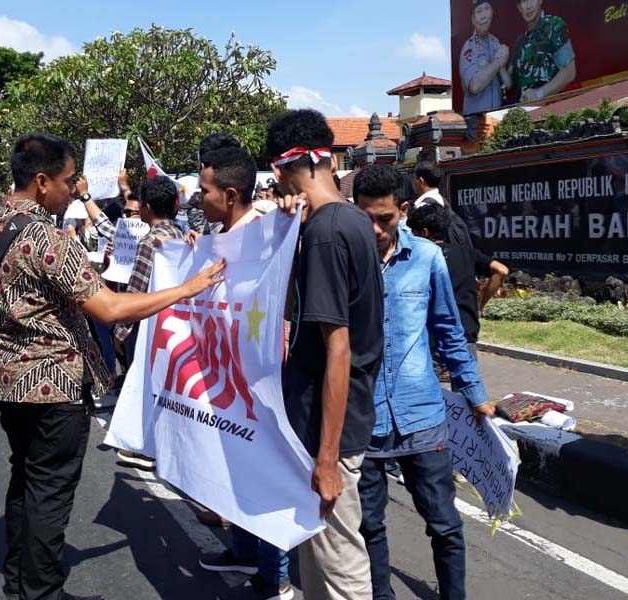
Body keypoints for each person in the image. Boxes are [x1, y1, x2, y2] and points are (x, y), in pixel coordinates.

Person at [0, 132, 225, 600]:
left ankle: (19, 577)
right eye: (67, 181)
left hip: (7, 382)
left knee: (24, 478)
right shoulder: (49, 237)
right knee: (50, 491)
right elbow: (109, 309)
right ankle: (41, 592)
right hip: (55, 388)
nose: (73, 191)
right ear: (42, 182)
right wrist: (187, 289)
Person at [352, 164, 494, 600]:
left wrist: (475, 394)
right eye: (365, 218)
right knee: (368, 525)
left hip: (421, 417)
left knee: (444, 524)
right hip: (363, 419)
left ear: (405, 210)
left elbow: (450, 332)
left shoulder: (429, 258)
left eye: (385, 219)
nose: (375, 229)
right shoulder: (345, 259)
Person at [268, 109, 382, 600]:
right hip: (333, 418)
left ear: (278, 170)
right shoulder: (347, 221)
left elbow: (339, 347)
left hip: (328, 428)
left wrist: (328, 458)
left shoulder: (327, 234)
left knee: (341, 571)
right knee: (316, 562)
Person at [193, 145, 293, 600]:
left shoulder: (272, 232)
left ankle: (276, 576)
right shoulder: (217, 236)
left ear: (230, 194)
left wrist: (295, 216)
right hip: (223, 375)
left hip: (262, 377)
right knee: (231, 466)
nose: (199, 199)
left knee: (264, 472)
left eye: (204, 191)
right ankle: (243, 549)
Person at [111, 175, 187, 470]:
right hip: (174, 326)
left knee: (144, 386)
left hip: (147, 326)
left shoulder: (149, 241)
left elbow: (137, 289)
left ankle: (146, 447)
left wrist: (120, 329)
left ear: (147, 208)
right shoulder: (182, 235)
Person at [408, 203, 509, 352]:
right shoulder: (467, 253)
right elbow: (502, 270)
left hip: (433, 341)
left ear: (424, 232)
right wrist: (480, 305)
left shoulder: (417, 258)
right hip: (465, 337)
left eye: (413, 233)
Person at [509, 0, 576, 104]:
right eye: (523, 1)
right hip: (525, 114)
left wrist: (538, 94)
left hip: (551, 111)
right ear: (519, 7)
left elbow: (569, 72)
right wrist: (498, 64)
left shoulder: (554, 25)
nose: (528, 6)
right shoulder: (519, 42)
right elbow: (510, 84)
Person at [459, 0, 511, 114]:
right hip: (477, 121)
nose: (484, 16)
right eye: (479, 11)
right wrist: (498, 63)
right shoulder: (469, 48)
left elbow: (508, 85)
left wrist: (502, 64)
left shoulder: (495, 42)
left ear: (492, 12)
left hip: (496, 117)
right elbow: (474, 86)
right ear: (473, 19)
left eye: (487, 9)